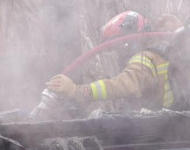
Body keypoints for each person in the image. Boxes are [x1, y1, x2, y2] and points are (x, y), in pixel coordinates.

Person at [45, 11, 179, 111]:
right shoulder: (159, 54)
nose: (119, 53)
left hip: (160, 133)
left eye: (118, 47)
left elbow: (123, 85)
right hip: (167, 125)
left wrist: (77, 91)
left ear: (129, 42)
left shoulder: (144, 58)